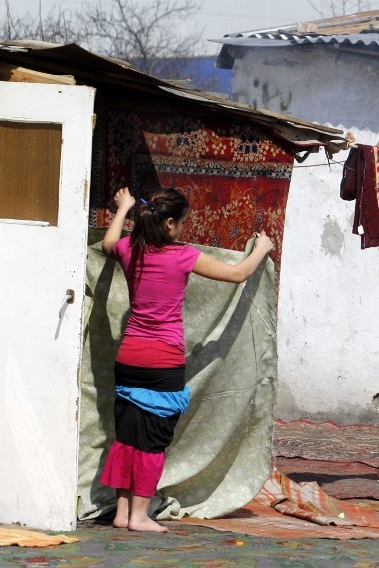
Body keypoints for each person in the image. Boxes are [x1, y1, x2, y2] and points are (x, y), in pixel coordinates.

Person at [100, 186, 274, 532]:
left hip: (129, 357)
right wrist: (262, 249)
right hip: (163, 362)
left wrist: (123, 208)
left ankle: (121, 512)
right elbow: (238, 274)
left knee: (128, 437)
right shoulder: (182, 256)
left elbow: (108, 243)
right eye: (181, 223)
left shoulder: (129, 250)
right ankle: (138, 517)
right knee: (152, 443)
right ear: (168, 224)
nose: (182, 229)